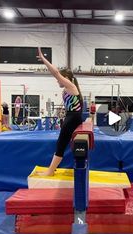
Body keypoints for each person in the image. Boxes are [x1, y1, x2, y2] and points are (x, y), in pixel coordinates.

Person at [36, 47, 83, 176]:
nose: (57, 80)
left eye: (59, 78)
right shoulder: (68, 88)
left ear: (66, 78)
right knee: (60, 142)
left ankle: (50, 171)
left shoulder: (70, 86)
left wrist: (44, 60)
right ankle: (52, 169)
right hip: (72, 116)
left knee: (61, 143)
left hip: (73, 118)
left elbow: (56, 72)